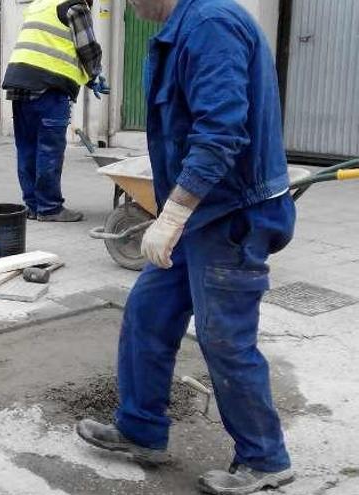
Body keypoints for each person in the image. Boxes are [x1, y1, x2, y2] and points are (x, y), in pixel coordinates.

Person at [76, 1, 296, 494]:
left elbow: (220, 133)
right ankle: (141, 430)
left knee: (224, 339)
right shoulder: (185, 28)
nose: (130, 5)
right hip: (202, 212)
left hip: (231, 215)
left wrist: (171, 214)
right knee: (148, 311)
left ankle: (265, 459)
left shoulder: (210, 24)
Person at [2, 0, 109, 222]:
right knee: (49, 149)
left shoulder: (39, 5)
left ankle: (33, 206)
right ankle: (50, 208)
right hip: (48, 88)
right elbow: (87, 49)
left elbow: (54, 47)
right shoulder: (74, 7)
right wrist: (95, 74)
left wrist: (88, 80)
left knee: (27, 147)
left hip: (19, 84)